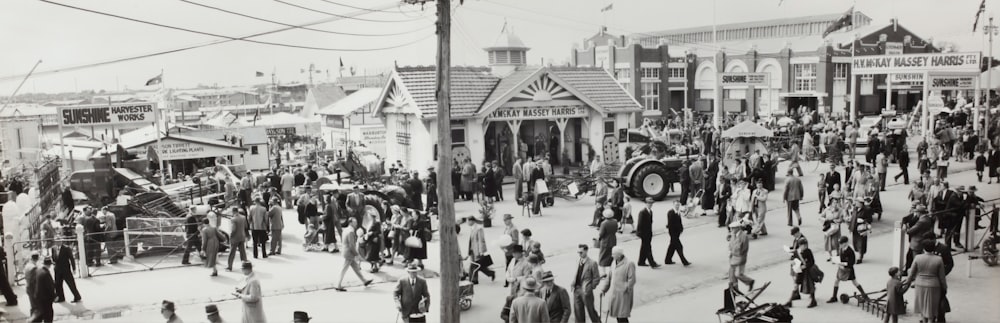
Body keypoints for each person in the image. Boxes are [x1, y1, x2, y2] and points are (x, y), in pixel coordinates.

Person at [906, 240, 948, 323]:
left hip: (920, 285)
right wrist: (944, 287)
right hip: (934, 286)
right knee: (931, 310)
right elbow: (942, 277)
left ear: (923, 248)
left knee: (923, 309)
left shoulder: (918, 258)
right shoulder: (939, 259)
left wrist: (907, 282)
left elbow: (911, 273)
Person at [334, 218, 373, 292]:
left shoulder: (346, 230)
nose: (356, 223)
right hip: (349, 253)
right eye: (355, 222)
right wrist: (356, 254)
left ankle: (364, 281)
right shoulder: (351, 232)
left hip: (346, 251)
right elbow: (351, 245)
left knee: (356, 268)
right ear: (350, 223)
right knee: (344, 269)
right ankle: (338, 285)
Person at [827, 236, 869, 303]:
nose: (840, 245)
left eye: (841, 243)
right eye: (840, 244)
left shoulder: (850, 251)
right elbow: (840, 257)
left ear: (846, 243)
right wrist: (835, 260)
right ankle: (834, 297)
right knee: (836, 281)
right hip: (841, 268)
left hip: (848, 270)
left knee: (854, 282)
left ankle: (864, 295)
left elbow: (851, 263)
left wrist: (842, 264)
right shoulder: (841, 248)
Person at [601, 247, 636, 323]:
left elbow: (632, 280)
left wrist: (624, 288)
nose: (612, 255)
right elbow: (609, 277)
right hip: (615, 294)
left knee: (622, 317)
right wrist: (604, 289)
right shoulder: (614, 262)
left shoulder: (629, 264)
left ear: (619, 255)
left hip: (624, 295)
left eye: (613, 254)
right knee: (618, 316)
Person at [571, 244, 601, 323]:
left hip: (586, 290)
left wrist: (590, 287)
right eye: (578, 252)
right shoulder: (578, 261)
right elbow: (576, 273)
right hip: (576, 289)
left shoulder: (592, 263)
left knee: (591, 311)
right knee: (578, 312)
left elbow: (596, 278)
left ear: (586, 251)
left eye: (581, 252)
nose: (579, 254)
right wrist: (573, 282)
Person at [785, 239, 818, 308]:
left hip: (807, 271)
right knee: (796, 285)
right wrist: (793, 261)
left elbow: (812, 262)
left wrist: (805, 266)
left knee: (810, 286)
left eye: (804, 245)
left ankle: (813, 300)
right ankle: (789, 301)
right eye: (802, 245)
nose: (804, 246)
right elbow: (795, 259)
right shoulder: (799, 251)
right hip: (800, 271)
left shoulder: (808, 251)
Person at [467, 215, 496, 284]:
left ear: (472, 221)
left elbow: (481, 240)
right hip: (472, 250)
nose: (467, 223)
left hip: (477, 250)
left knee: (475, 265)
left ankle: (474, 279)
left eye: (468, 221)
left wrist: (481, 251)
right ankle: (490, 273)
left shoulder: (479, 229)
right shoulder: (472, 228)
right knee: (477, 265)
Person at [728, 220, 755, 293]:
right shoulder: (733, 235)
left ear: (738, 228)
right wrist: (730, 252)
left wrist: (739, 254)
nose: (731, 230)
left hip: (740, 257)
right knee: (732, 274)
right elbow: (730, 245)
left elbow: (744, 248)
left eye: (733, 228)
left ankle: (750, 281)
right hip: (733, 257)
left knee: (738, 274)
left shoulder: (743, 236)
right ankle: (735, 289)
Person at [635, 197, 659, 268]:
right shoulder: (642, 212)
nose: (650, 205)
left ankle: (641, 261)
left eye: (651, 203)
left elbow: (650, 222)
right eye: (649, 203)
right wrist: (639, 233)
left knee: (644, 247)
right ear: (646, 203)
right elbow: (640, 223)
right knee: (648, 248)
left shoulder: (650, 211)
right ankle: (653, 263)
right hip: (644, 233)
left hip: (648, 233)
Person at [32, 257, 56, 323]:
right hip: (45, 298)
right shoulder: (46, 274)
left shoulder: (39, 270)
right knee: (48, 315)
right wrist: (54, 296)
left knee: (42, 314)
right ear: (49, 265)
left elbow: (34, 282)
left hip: (39, 297)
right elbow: (50, 287)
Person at [597, 209, 618, 275]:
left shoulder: (604, 223)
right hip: (613, 240)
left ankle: (603, 272)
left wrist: (599, 238)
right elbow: (616, 229)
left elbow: (601, 234)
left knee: (603, 255)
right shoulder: (615, 221)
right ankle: (610, 271)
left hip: (605, 241)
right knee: (610, 256)